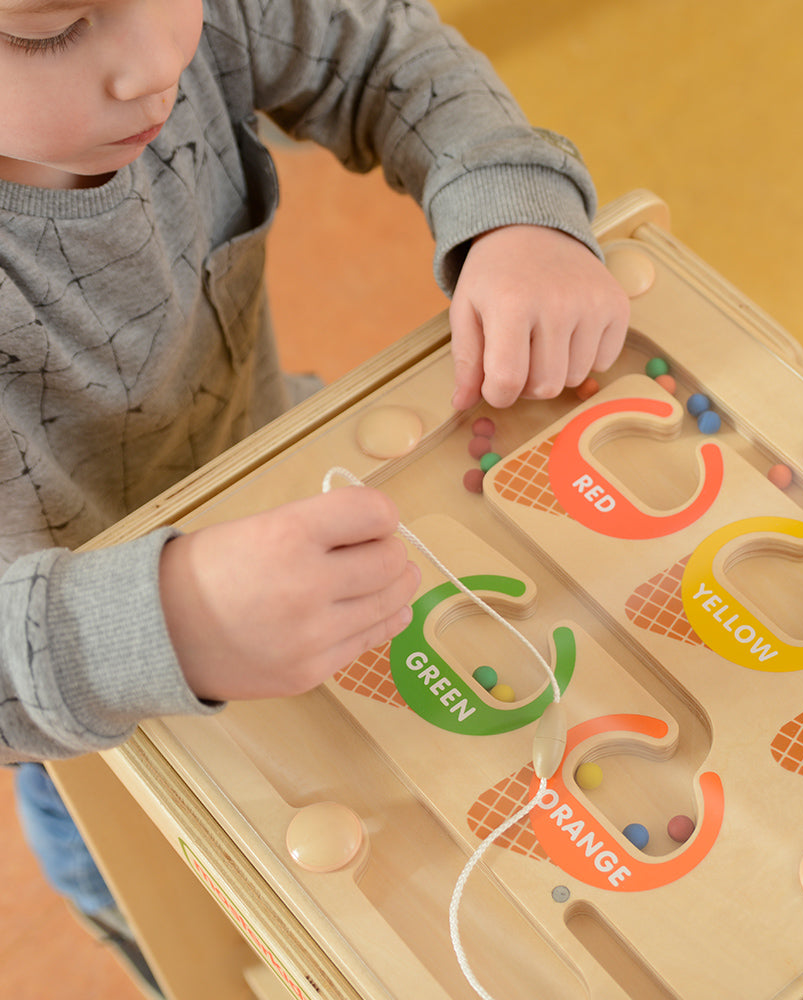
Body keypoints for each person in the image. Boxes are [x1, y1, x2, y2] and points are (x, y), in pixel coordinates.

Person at [0, 0, 629, 976]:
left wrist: (513, 207)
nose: (158, 61)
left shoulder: (202, 25)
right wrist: (166, 620)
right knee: (188, 922)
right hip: (102, 715)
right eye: (49, 31)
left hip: (281, 511)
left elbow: (379, 46)